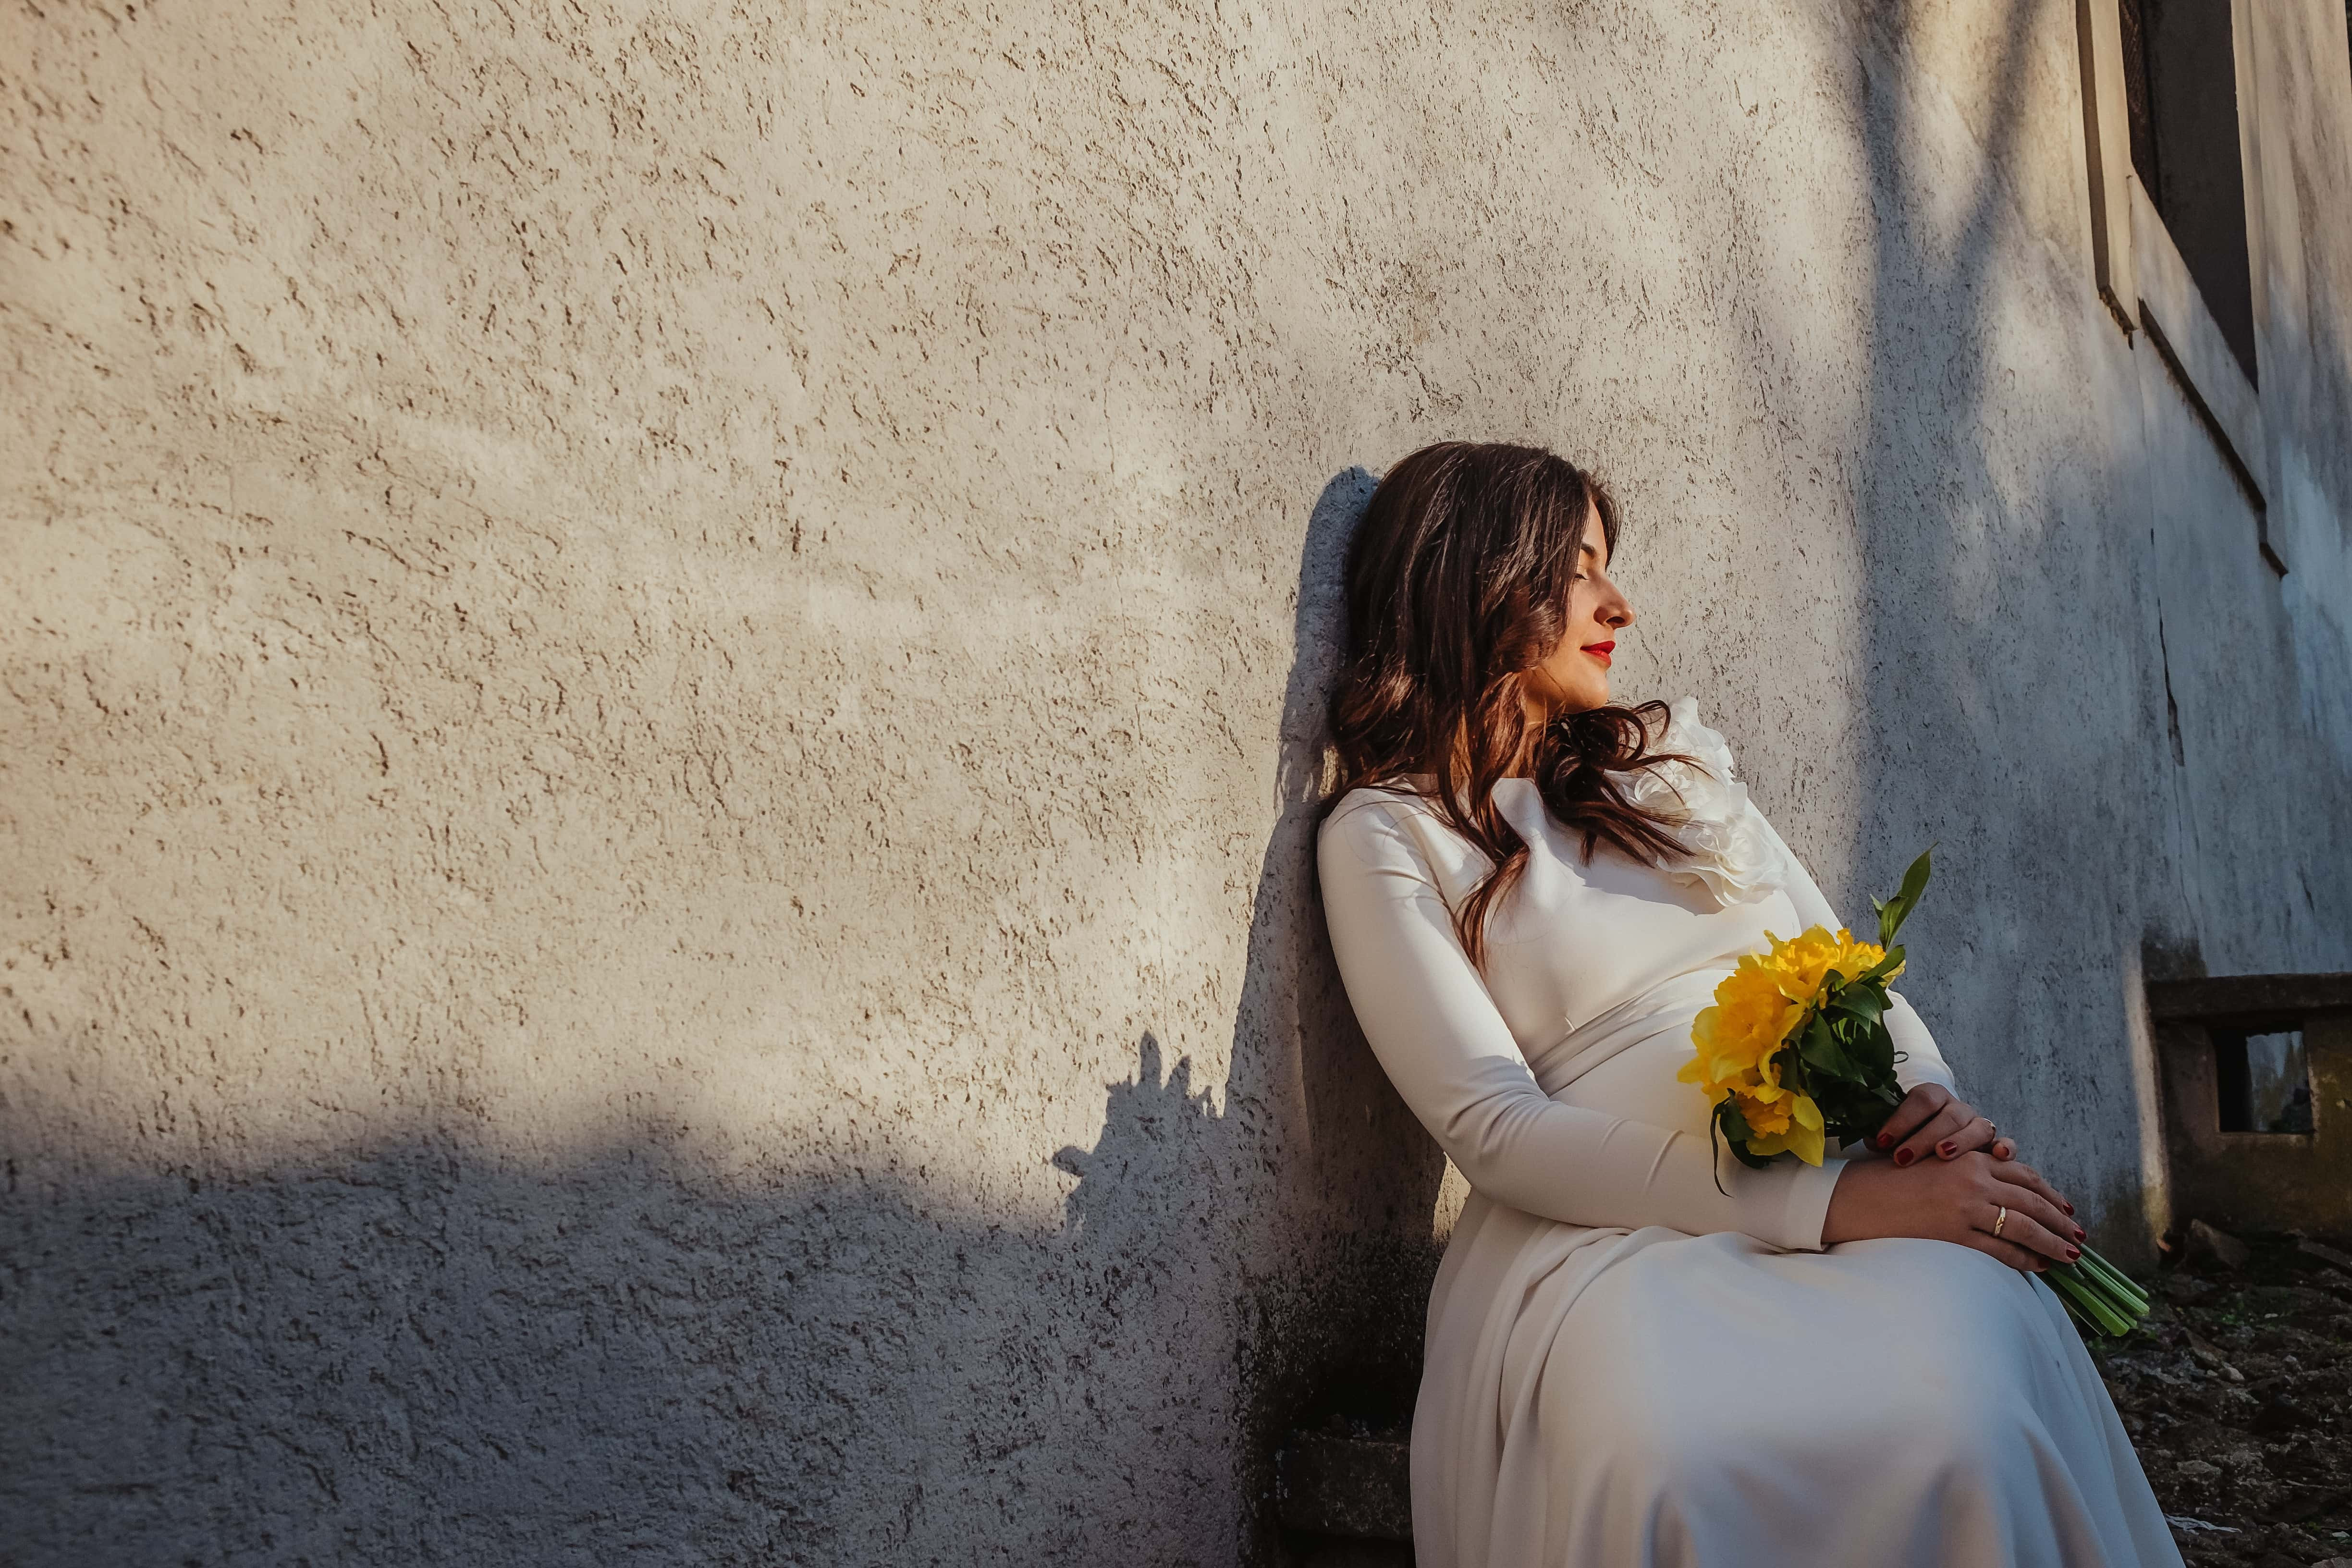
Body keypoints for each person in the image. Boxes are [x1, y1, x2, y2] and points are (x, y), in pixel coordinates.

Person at [1314, 441, 2181, 1568]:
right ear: (1478, 573)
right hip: (1602, 1242)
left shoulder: (1669, 770)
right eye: (1579, 569)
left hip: (1857, 1182)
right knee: (1669, 1455)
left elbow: (1832, 960)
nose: (1618, 602)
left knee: (1966, 1408)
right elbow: (1497, 1131)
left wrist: (1926, 1107)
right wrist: (1837, 1205)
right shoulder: (1388, 834)